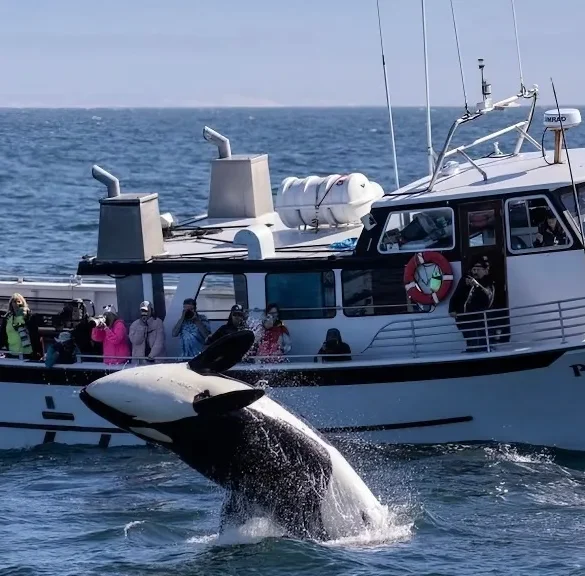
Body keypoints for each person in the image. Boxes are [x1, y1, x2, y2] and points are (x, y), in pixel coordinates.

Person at [448, 256, 495, 352]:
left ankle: (483, 352)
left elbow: (488, 298)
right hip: (465, 318)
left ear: (485, 271)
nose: (475, 272)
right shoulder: (465, 280)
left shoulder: (488, 282)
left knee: (481, 340)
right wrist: (452, 309)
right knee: (471, 339)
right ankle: (472, 352)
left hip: (480, 318)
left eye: (478, 269)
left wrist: (477, 286)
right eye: (474, 269)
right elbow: (456, 295)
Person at [0, 293, 42, 359]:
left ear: (23, 303)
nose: (16, 304)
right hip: (12, 353)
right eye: (14, 302)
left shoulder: (29, 316)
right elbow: (2, 335)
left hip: (28, 353)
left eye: (18, 302)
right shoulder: (7, 318)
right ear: (11, 304)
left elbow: (35, 335)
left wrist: (38, 352)